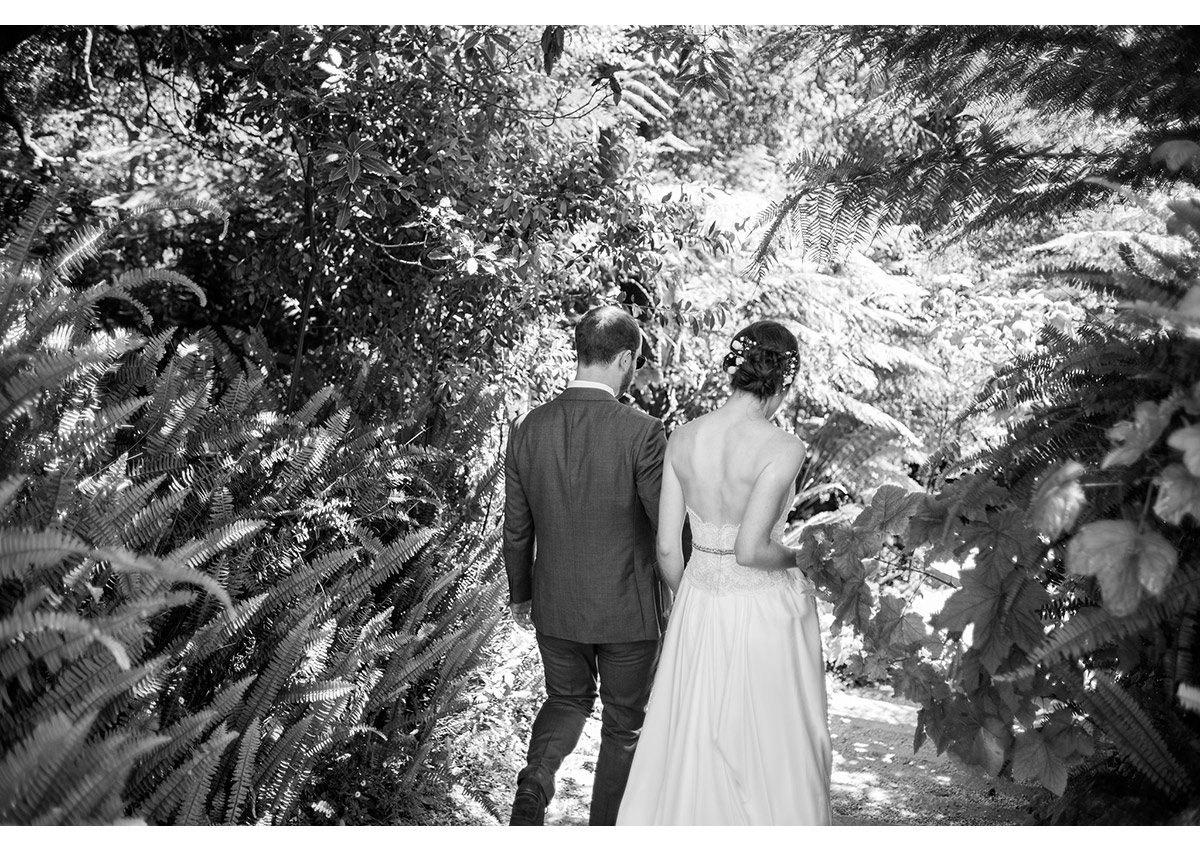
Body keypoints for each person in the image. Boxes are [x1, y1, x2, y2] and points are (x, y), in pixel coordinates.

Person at [616, 320, 833, 825]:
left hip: (697, 602)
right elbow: (752, 550)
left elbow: (668, 547)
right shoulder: (784, 448)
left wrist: (691, 595)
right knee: (769, 742)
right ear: (782, 381)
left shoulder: (685, 437)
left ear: (735, 370)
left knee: (687, 739)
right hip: (762, 612)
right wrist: (803, 556)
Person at [503, 305, 668, 826]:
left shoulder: (529, 427)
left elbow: (516, 529)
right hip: (629, 610)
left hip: (556, 603)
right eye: (636, 364)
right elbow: (666, 526)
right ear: (623, 359)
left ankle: (536, 779)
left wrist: (522, 595)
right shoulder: (642, 432)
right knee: (624, 724)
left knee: (566, 698)